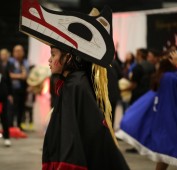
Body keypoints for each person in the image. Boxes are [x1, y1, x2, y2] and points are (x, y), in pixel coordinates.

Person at [20, 0, 129, 169]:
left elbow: (72, 138)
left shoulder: (75, 85)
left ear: (69, 57)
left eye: (53, 54)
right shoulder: (74, 81)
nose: (49, 59)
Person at [116, 50, 177, 170]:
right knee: (176, 154)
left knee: (169, 157)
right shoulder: (171, 78)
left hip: (171, 120)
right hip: (174, 122)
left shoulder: (166, 77)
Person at [9, 45, 29, 129]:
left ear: (23, 52)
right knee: (12, 107)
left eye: (20, 51)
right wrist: (20, 76)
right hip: (12, 89)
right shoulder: (10, 62)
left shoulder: (26, 62)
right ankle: (10, 126)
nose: (18, 53)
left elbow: (27, 75)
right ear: (13, 53)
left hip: (23, 88)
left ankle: (19, 125)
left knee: (21, 107)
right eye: (16, 51)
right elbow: (9, 75)